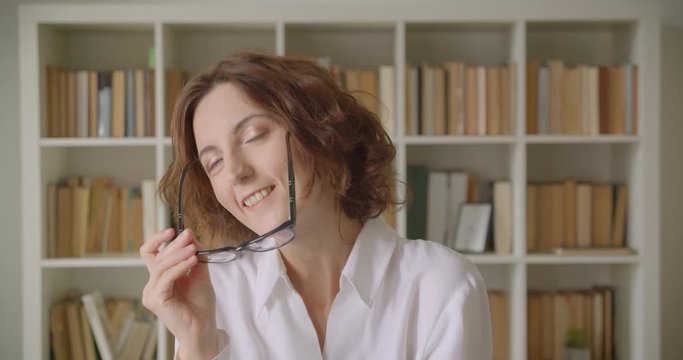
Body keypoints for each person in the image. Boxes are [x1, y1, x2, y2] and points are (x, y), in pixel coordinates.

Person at [140, 52, 492, 359]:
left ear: (320, 133)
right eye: (213, 162)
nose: (235, 172)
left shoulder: (440, 285)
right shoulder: (215, 296)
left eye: (253, 136)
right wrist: (196, 342)